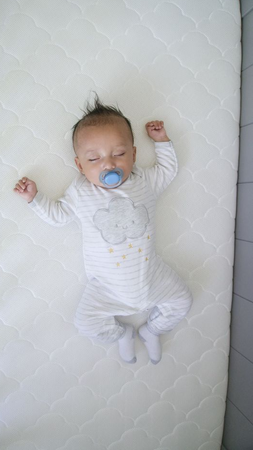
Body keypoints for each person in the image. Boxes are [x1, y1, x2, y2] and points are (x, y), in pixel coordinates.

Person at [14, 96, 192, 364]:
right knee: (85, 323)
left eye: (119, 154)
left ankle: (152, 330)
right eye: (94, 158)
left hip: (154, 276)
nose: (108, 164)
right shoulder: (81, 193)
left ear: (133, 154)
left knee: (182, 302)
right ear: (80, 166)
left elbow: (167, 170)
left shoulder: (143, 181)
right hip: (107, 288)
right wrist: (35, 199)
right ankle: (122, 335)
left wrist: (162, 141)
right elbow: (59, 216)